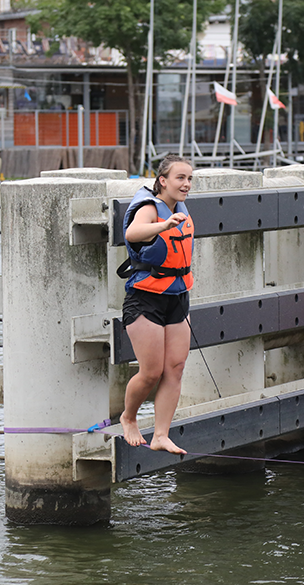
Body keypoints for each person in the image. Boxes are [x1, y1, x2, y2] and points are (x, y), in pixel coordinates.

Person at [118, 155, 194, 455]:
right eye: (180, 178)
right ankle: (129, 417)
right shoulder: (150, 208)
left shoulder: (180, 209)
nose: (186, 184)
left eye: (189, 179)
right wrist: (163, 225)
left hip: (176, 296)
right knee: (151, 372)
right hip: (145, 297)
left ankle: (161, 434)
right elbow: (132, 234)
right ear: (163, 180)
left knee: (175, 368)